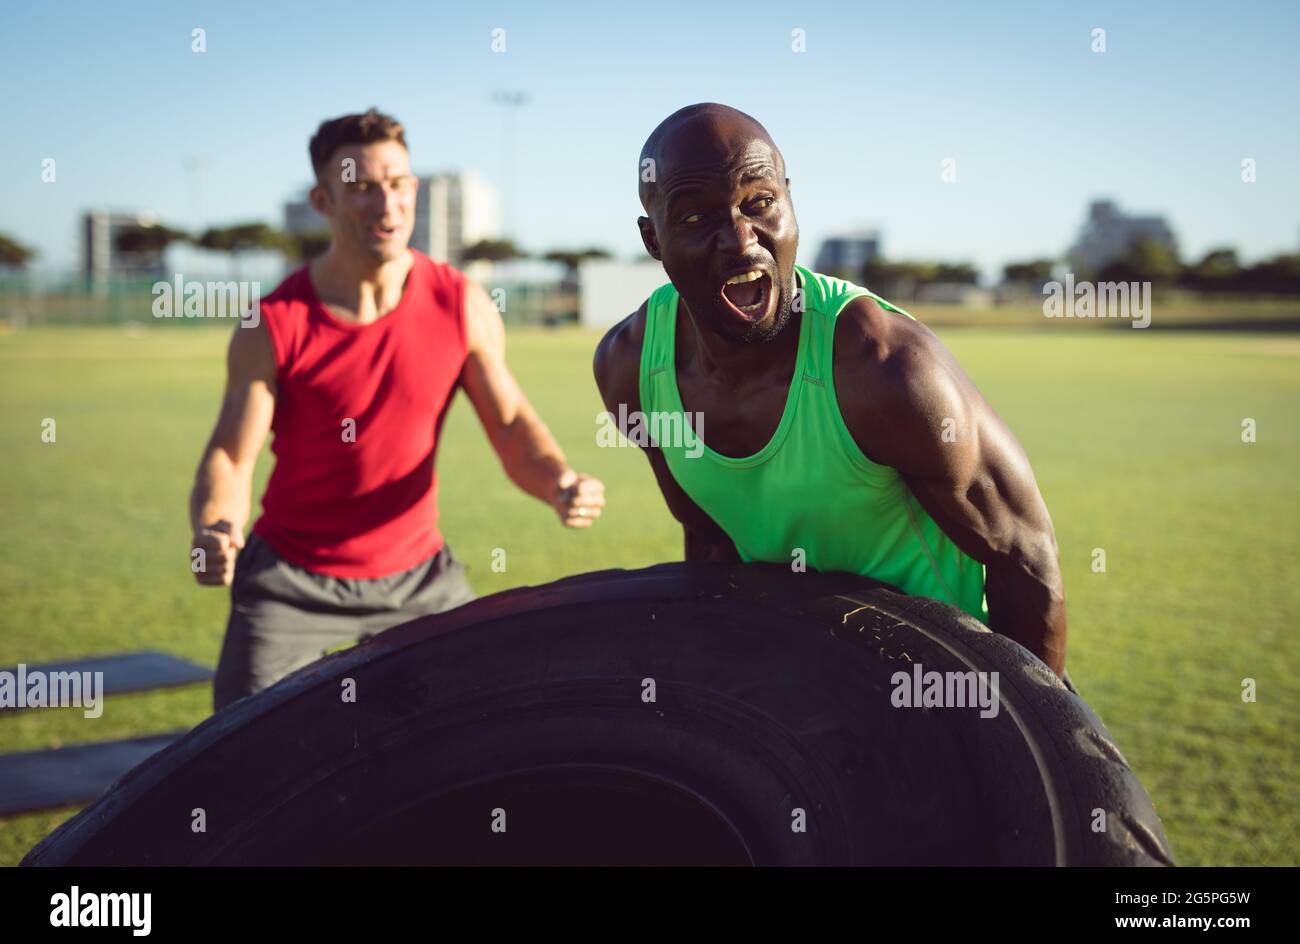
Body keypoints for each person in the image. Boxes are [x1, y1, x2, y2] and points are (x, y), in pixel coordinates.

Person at [594, 103, 1067, 677]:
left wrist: (1031, 740)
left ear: (790, 200)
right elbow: (711, 543)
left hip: (939, 692)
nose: (742, 243)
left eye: (760, 203)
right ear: (653, 238)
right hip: (799, 687)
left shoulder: (887, 369)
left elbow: (1026, 558)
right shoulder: (631, 369)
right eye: (696, 218)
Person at [193, 108, 605, 710]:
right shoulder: (274, 322)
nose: (386, 204)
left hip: (420, 580)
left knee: (488, 728)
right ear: (323, 200)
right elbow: (231, 455)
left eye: (398, 183)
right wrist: (214, 528)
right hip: (291, 584)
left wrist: (559, 481)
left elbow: (512, 424)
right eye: (360, 188)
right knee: (242, 761)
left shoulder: (460, 303)